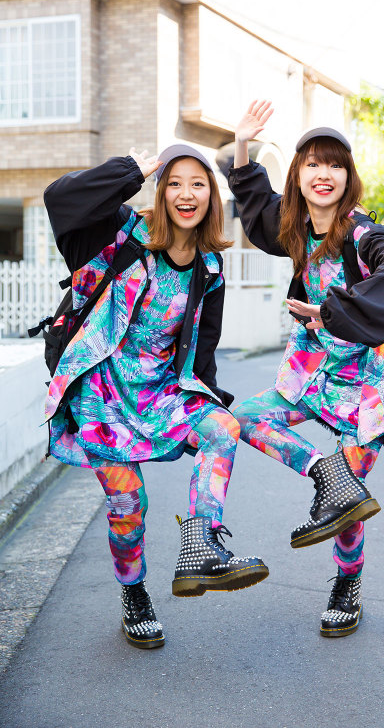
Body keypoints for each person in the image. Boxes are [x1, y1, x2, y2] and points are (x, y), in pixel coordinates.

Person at [43, 144, 269, 649]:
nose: (186, 194)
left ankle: (201, 544)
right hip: (101, 398)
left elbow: (201, 350)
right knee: (130, 504)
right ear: (161, 190)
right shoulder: (119, 235)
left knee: (223, 428)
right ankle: (134, 593)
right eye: (175, 182)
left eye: (198, 183)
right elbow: (59, 199)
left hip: (163, 392)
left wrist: (206, 405)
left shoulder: (209, 268)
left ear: (212, 196)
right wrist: (131, 171)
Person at [228, 101, 384, 637]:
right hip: (313, 371)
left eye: (336, 165)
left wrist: (333, 311)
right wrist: (244, 145)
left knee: (347, 510)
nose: (324, 174)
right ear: (298, 174)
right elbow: (255, 208)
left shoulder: (362, 234)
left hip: (370, 382)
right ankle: (326, 473)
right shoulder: (294, 228)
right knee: (238, 420)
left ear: (349, 177)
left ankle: (347, 586)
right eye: (313, 164)